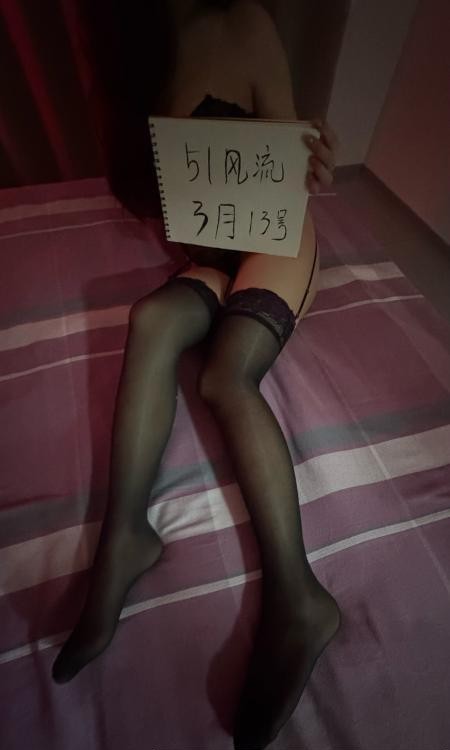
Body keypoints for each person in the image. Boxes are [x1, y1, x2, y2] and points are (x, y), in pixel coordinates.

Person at [52, 1, 341, 747]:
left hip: (274, 239)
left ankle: (299, 596)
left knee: (225, 375)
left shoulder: (244, 22)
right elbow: (147, 196)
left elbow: (287, 156)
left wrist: (308, 152)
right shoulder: (128, 54)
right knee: (150, 320)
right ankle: (124, 539)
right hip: (209, 251)